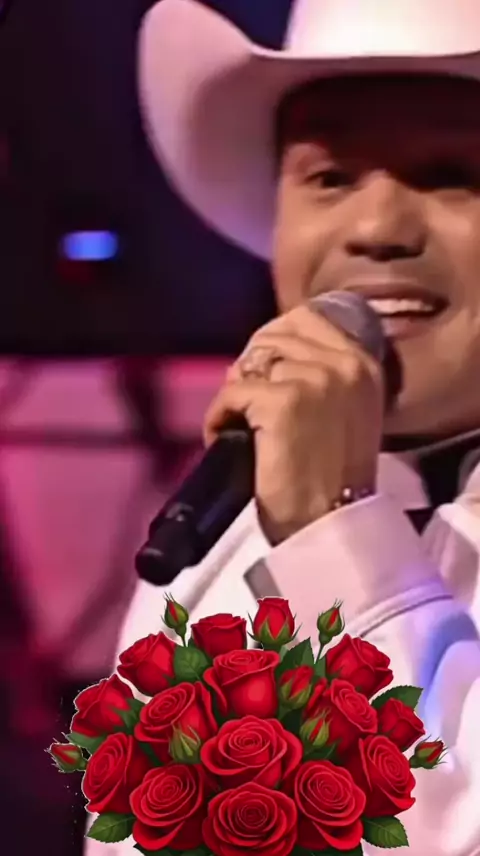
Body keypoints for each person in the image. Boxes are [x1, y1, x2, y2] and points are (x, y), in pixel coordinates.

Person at [86, 0, 480, 853]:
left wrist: (331, 534)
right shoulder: (211, 541)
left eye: (453, 173)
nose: (376, 230)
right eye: (330, 177)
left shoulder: (302, 516)